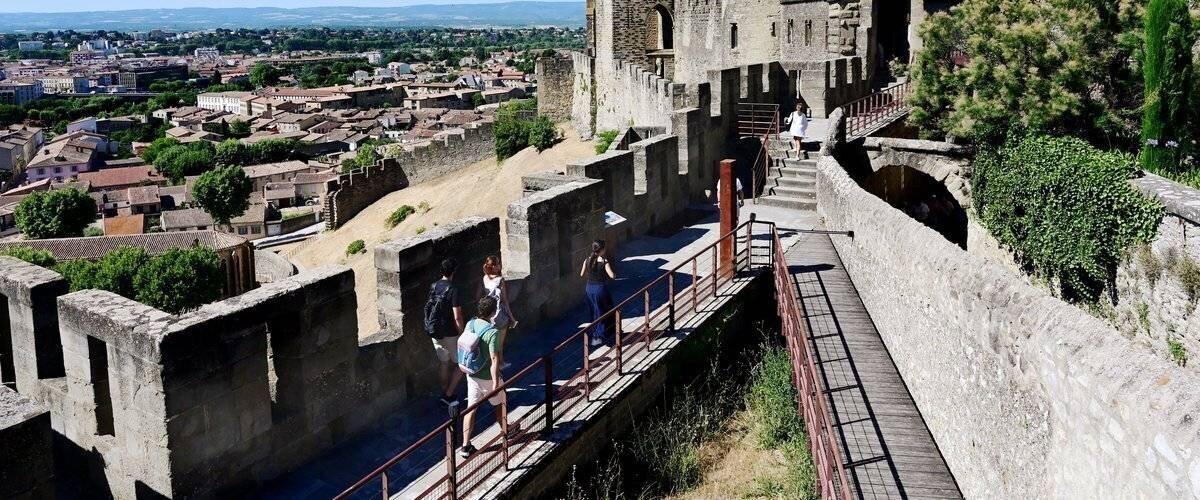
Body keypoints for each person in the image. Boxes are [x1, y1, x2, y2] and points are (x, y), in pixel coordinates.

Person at [458, 296, 512, 458]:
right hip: (487, 377)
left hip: (471, 374)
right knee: (501, 403)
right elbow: (494, 359)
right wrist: (496, 383)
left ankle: (465, 446)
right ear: (494, 312)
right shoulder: (492, 332)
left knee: (471, 409)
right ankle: (506, 430)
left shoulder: (471, 323)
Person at [424, 258, 467, 406]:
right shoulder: (453, 289)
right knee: (462, 363)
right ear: (453, 272)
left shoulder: (433, 286)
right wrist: (462, 334)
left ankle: (444, 389)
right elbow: (457, 316)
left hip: (435, 332)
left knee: (444, 363)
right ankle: (448, 394)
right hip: (450, 333)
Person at [480, 255, 517, 370]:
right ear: (495, 266)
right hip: (499, 313)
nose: (500, 265)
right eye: (499, 264)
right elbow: (505, 300)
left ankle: (494, 362)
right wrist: (512, 318)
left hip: (488, 313)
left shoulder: (484, 278)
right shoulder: (500, 280)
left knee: (492, 340)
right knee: (499, 342)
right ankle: (500, 363)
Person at [579, 240, 616, 347]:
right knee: (606, 311)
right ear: (602, 249)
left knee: (594, 310)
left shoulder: (586, 260)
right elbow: (612, 276)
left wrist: (591, 277)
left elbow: (581, 274)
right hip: (600, 289)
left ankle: (596, 334)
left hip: (589, 288)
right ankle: (603, 335)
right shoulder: (604, 261)